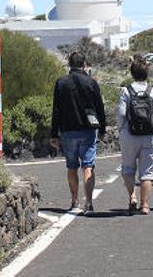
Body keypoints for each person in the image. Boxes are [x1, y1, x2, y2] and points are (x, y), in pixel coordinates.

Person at [50, 51, 107, 216]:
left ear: (69, 64)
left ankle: (74, 202)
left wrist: (54, 134)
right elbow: (100, 108)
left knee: (71, 167)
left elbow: (56, 110)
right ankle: (88, 203)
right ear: (84, 64)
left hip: (68, 131)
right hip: (88, 130)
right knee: (88, 166)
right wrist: (102, 129)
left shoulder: (61, 83)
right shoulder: (91, 83)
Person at [116, 56, 153, 215]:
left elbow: (121, 113)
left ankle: (132, 196)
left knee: (128, 168)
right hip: (149, 135)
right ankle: (145, 205)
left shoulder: (126, 91)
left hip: (129, 134)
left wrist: (121, 129)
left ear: (132, 73)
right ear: (147, 73)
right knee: (147, 172)